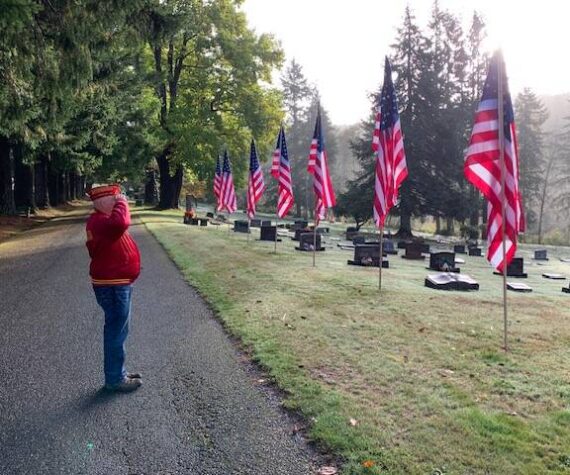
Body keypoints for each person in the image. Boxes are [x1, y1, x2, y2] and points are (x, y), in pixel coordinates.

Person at [86, 184, 142, 392]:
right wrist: (123, 202)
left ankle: (119, 372)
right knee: (116, 332)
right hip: (113, 286)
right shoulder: (103, 222)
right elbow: (122, 221)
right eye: (115, 199)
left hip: (116, 284)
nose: (119, 201)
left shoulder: (101, 221)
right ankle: (114, 379)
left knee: (119, 330)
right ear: (103, 202)